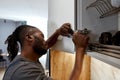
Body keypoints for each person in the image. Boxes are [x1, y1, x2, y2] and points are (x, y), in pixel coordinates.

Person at [3, 23, 89, 80]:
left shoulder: (26, 59)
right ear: (29, 38)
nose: (45, 41)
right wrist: (80, 48)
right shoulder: (25, 71)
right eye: (42, 36)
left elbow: (46, 45)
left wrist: (58, 32)